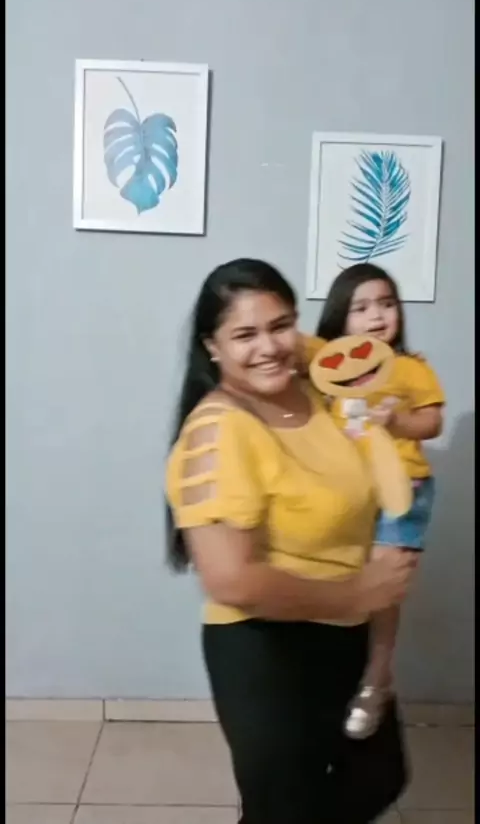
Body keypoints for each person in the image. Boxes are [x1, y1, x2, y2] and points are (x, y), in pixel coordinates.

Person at [165, 258, 418, 824]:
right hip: (267, 649)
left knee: (377, 777)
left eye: (281, 325)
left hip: (344, 634)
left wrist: (368, 626)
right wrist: (358, 593)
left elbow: (338, 358)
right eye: (244, 335)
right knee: (283, 807)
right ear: (212, 346)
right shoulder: (219, 430)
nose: (269, 347)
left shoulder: (316, 392)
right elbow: (231, 580)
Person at [302, 263, 444, 741]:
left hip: (402, 489)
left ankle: (376, 681)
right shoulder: (328, 371)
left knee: (383, 591)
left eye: (386, 304)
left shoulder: (410, 368)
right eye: (360, 307)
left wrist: (398, 422)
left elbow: (432, 421)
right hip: (348, 493)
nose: (377, 316)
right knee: (338, 583)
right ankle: (332, 677)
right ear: (340, 318)